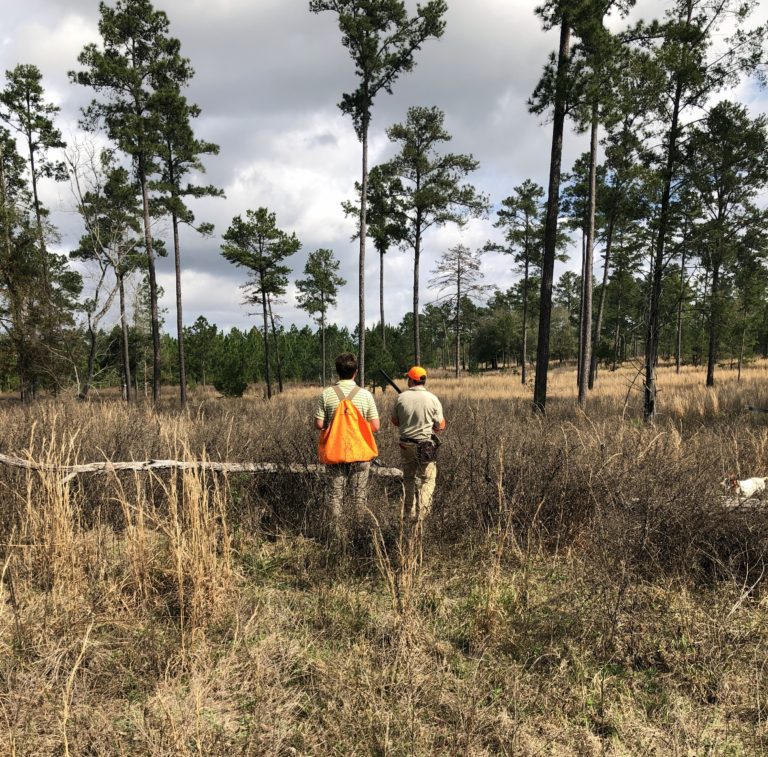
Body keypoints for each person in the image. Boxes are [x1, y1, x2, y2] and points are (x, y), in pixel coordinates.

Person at [314, 352, 380, 541]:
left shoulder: (327, 394)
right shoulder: (365, 395)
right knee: (358, 498)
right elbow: (375, 426)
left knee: (335, 496)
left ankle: (336, 537)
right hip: (360, 454)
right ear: (356, 372)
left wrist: (334, 425)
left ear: (337, 372)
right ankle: (357, 536)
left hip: (334, 453)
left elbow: (319, 424)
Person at [390, 366, 445, 525]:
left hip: (406, 445)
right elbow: (441, 425)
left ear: (411, 380)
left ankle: (409, 514)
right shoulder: (432, 398)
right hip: (426, 445)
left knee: (408, 478)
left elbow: (394, 421)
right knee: (427, 480)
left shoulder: (401, 398)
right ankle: (422, 516)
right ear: (423, 380)